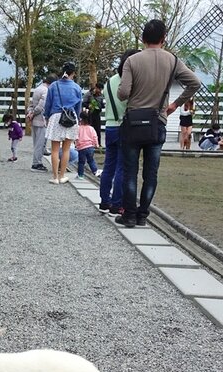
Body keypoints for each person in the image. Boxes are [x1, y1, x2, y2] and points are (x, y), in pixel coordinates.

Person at [117, 19, 200, 227]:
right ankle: (143, 215)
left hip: (134, 122)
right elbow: (194, 83)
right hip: (157, 122)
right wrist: (174, 105)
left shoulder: (132, 61)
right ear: (163, 39)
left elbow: (123, 93)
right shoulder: (172, 61)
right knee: (150, 173)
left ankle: (129, 215)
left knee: (130, 171)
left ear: (143, 38)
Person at [98, 48, 139, 216]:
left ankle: (104, 201)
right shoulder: (130, 81)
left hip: (109, 126)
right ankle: (117, 204)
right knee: (123, 167)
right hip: (124, 126)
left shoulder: (109, 81)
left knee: (109, 165)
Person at [43, 62, 83, 185]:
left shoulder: (54, 86)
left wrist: (47, 117)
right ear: (73, 73)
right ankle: (62, 176)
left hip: (55, 116)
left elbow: (48, 104)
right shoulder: (77, 88)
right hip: (70, 118)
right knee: (66, 149)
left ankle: (54, 177)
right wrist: (77, 118)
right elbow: (78, 107)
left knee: (54, 149)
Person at [26, 75, 55, 171]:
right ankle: (36, 163)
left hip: (35, 120)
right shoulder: (46, 91)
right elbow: (41, 106)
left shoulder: (38, 89)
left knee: (36, 143)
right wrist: (34, 113)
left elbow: (32, 103)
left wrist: (30, 113)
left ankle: (37, 162)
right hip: (41, 120)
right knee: (40, 143)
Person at [74, 114, 99, 179]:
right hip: (90, 147)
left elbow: (76, 137)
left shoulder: (78, 128)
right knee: (91, 160)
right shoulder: (91, 128)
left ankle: (80, 175)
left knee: (81, 162)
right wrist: (96, 144)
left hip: (81, 147)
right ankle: (95, 171)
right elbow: (95, 137)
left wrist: (76, 145)